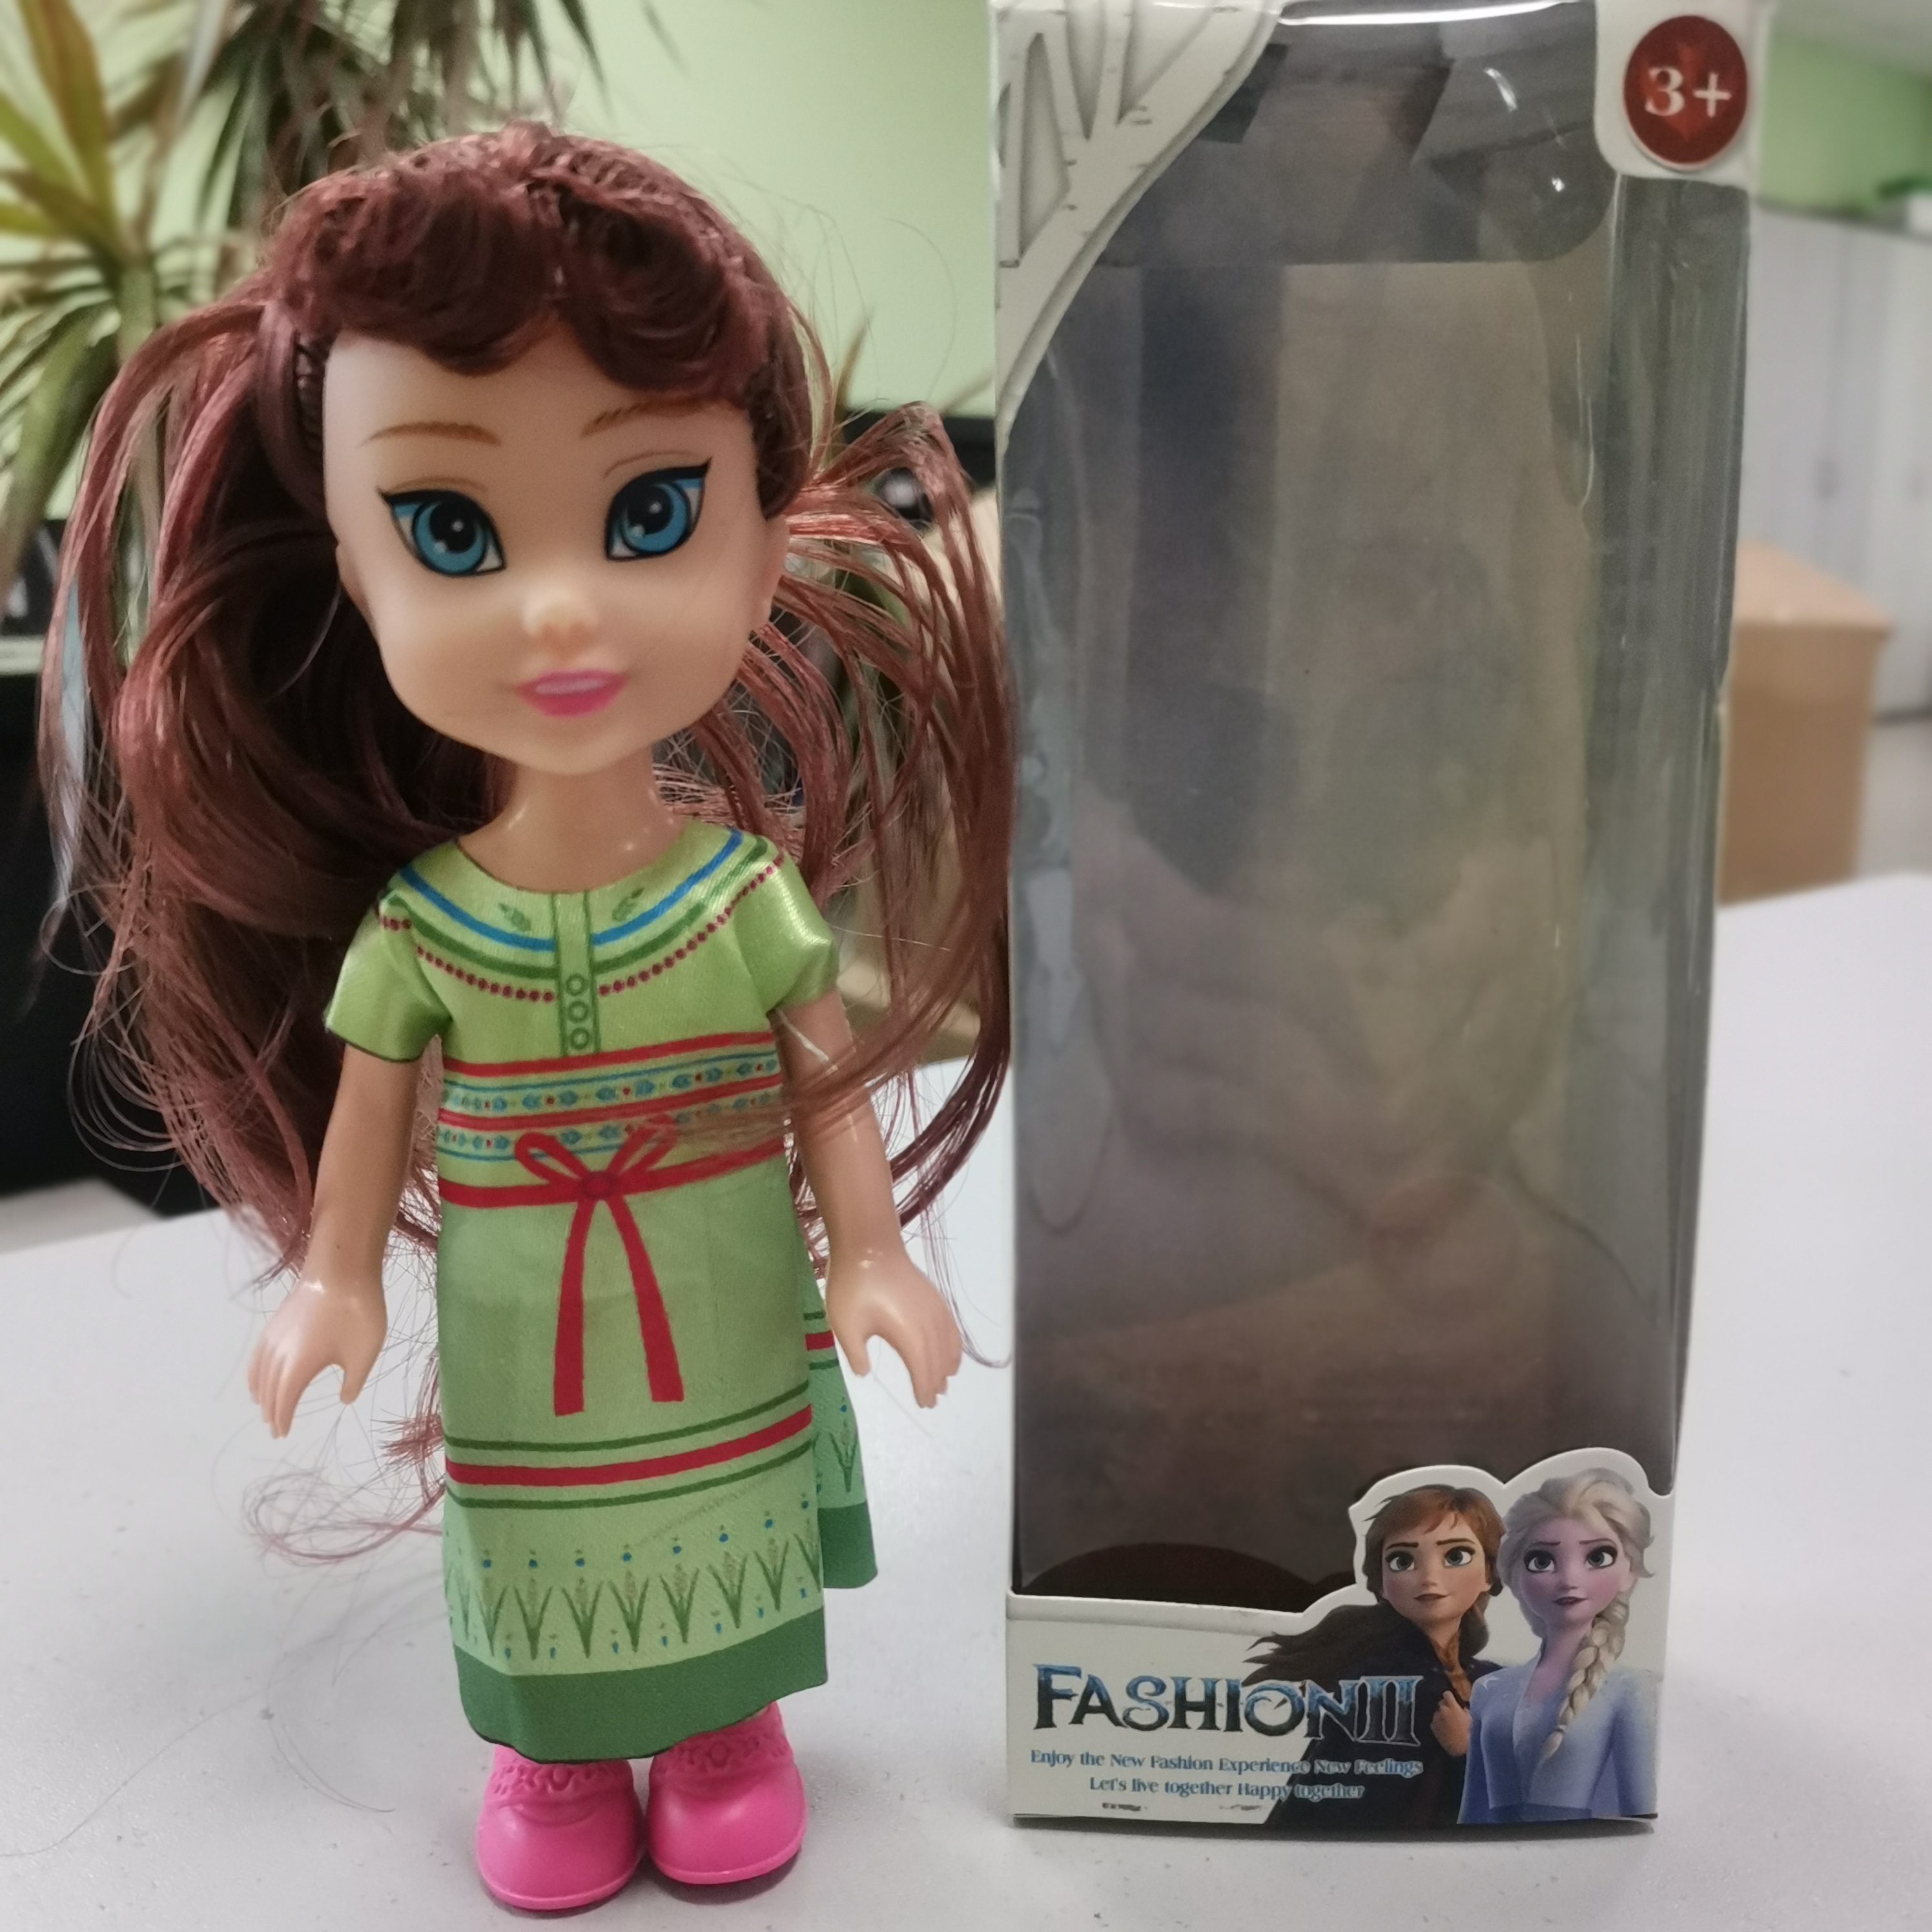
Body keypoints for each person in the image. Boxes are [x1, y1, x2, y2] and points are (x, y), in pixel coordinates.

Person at [45, 126, 1010, 1910]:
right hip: (523, 1337)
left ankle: (723, 1726)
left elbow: (821, 1094)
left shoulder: (739, 901)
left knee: (720, 1506)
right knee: (543, 1516)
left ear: (762, 531)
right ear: (355, 568)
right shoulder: (430, 929)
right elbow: (371, 1116)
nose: (559, 605)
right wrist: (337, 1278)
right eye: (451, 529)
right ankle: (555, 1741)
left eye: (651, 514)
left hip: (723, 1306)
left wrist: (873, 1256)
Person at [1246, 1483, 1503, 1827]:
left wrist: (1466, 1751)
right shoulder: (1381, 1680)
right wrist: (1465, 1755)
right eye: (1403, 1560)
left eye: (1455, 1556)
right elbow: (1361, 1805)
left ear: (1489, 1573)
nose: (1429, 1577)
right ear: (1381, 1583)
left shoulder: (1491, 1679)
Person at [1460, 1468, 1658, 1824]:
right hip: (1491, 1853)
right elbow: (1472, 1813)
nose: (1569, 1580)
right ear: (1514, 1575)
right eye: (1542, 1561)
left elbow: (1638, 1813)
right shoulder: (1490, 1689)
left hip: (1578, 1852)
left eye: (1597, 1557)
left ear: (1629, 1571)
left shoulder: (1630, 1689)